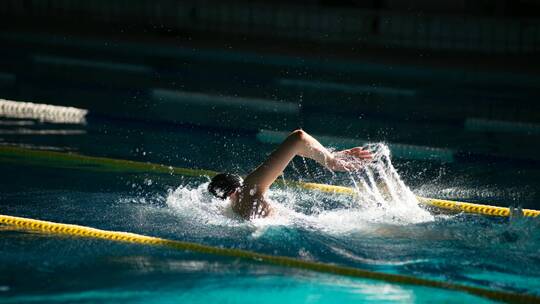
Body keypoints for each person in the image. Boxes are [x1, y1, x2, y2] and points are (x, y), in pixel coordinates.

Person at [208, 129, 373, 219]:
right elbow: (298, 138)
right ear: (234, 190)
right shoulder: (247, 189)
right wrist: (332, 161)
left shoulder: (233, 211)